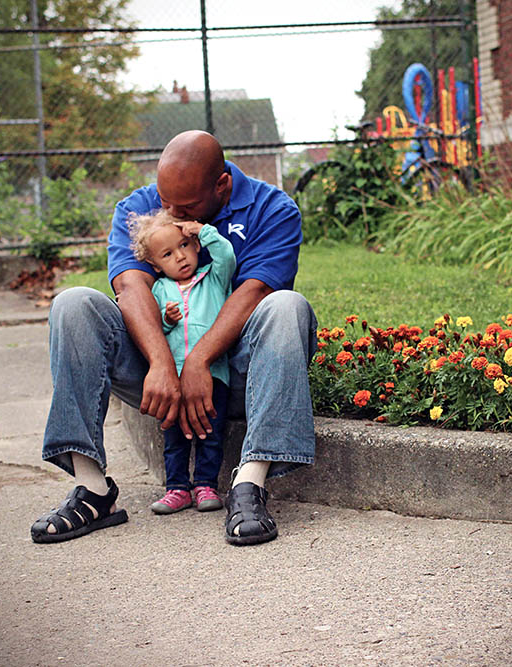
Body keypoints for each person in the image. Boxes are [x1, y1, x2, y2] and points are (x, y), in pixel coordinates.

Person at [30, 130, 317, 546]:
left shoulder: (272, 210)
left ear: (221, 185)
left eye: (185, 208)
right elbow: (131, 287)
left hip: (237, 375)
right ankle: (93, 491)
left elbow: (254, 292)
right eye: (166, 201)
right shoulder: (138, 207)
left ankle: (249, 485)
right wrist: (165, 364)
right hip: (156, 379)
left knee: (288, 305)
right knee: (74, 303)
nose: (169, 212)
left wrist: (199, 361)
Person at [127, 209, 235, 514]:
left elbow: (226, 255)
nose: (180, 257)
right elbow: (151, 329)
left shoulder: (213, 278)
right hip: (172, 379)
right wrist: (165, 319)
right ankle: (177, 488)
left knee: (209, 433)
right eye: (168, 254)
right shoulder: (159, 290)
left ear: (196, 245)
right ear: (154, 264)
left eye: (185, 246)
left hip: (213, 374)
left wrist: (202, 230)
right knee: (174, 436)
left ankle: (205, 485)